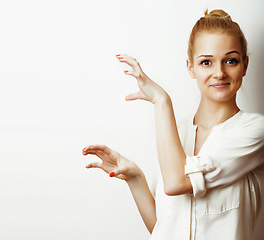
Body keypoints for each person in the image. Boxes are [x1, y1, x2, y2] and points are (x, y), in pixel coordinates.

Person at [82, 9, 264, 240]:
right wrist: (134, 177)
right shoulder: (175, 131)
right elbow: (163, 228)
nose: (219, 72)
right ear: (191, 68)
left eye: (231, 61)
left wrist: (161, 101)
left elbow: (177, 182)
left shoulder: (255, 131)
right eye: (206, 62)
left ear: (245, 65)